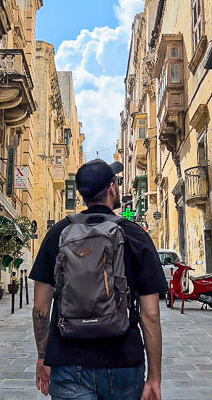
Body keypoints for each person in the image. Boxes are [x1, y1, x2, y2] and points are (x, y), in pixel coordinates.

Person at [29, 159, 166, 400]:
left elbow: (40, 306)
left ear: (82, 194)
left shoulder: (57, 234)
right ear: (112, 188)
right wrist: (154, 377)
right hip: (123, 361)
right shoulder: (136, 235)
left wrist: (43, 356)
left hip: (68, 360)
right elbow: (151, 315)